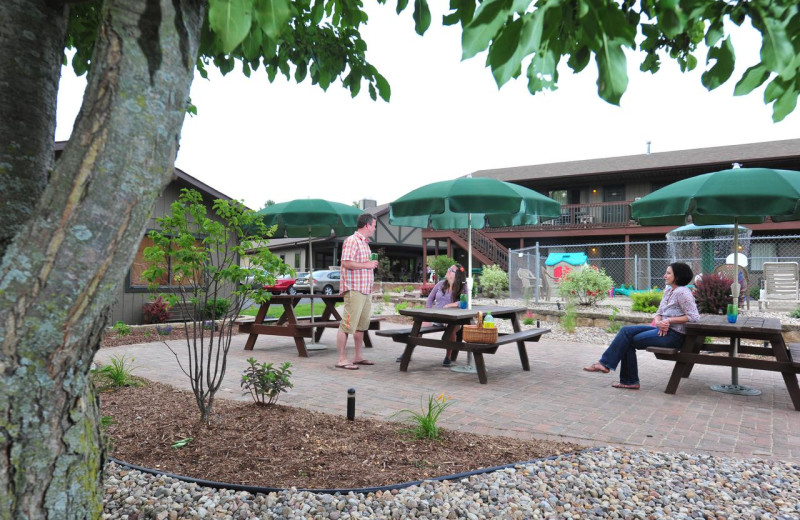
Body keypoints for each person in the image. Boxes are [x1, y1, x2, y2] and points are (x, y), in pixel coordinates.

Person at [583, 262, 700, 389]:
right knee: (625, 331)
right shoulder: (669, 290)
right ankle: (607, 365)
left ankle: (627, 379)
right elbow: (659, 312)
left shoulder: (682, 292)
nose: (664, 275)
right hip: (662, 330)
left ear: (677, 276)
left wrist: (669, 321)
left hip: (674, 335)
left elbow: (694, 317)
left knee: (627, 341)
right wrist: (659, 321)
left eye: (668, 273)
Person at [395, 263, 468, 366]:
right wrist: (428, 313)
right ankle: (407, 353)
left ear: (456, 274)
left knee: (451, 331)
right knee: (418, 328)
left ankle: (448, 357)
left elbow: (466, 303)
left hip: (454, 319)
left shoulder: (463, 287)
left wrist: (453, 304)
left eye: (450, 269)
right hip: (437, 317)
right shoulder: (441, 284)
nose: (447, 270)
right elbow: (429, 300)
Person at [335, 214, 378, 370]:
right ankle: (341, 359)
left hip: (365, 290)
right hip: (354, 289)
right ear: (367, 225)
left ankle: (358, 356)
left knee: (361, 326)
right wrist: (368, 265)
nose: (374, 228)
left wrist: (370, 265)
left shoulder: (365, 244)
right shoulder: (352, 241)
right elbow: (346, 263)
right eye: (374, 225)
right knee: (347, 325)